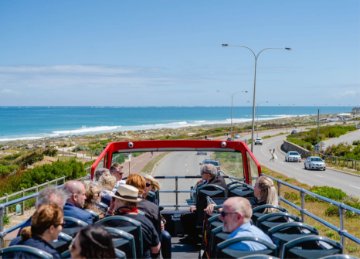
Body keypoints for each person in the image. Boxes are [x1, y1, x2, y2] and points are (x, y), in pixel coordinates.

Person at [110, 184, 161, 259]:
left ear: (119, 201)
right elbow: (155, 249)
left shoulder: (107, 222)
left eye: (114, 199)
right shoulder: (146, 222)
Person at [180, 164, 227, 245]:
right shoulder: (218, 180)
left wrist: (196, 207)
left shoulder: (209, 187)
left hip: (207, 212)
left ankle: (194, 238)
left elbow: (202, 200)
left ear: (208, 175)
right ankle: (193, 236)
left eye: (202, 173)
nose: (200, 174)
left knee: (185, 217)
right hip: (212, 210)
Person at [128, 173, 172, 259]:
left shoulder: (151, 199)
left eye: (147, 184)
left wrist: (161, 221)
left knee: (166, 236)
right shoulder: (120, 204)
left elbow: (157, 215)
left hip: (149, 235)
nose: (145, 186)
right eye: (143, 184)